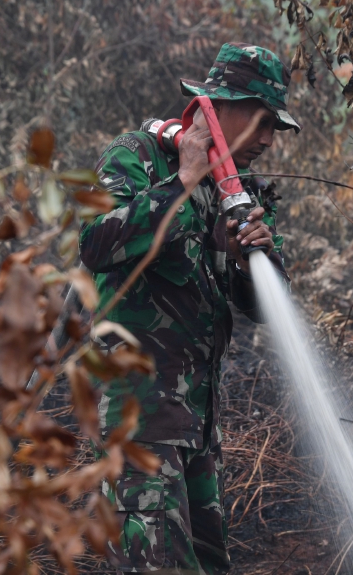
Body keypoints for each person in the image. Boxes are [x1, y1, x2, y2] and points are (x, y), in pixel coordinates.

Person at [79, 42, 299, 574]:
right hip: (140, 420)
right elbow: (97, 244)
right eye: (263, 121)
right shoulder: (139, 155)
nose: (269, 140)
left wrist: (251, 261)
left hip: (198, 426)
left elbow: (270, 309)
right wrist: (183, 182)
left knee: (207, 564)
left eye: (276, 126)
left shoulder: (242, 191)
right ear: (219, 105)